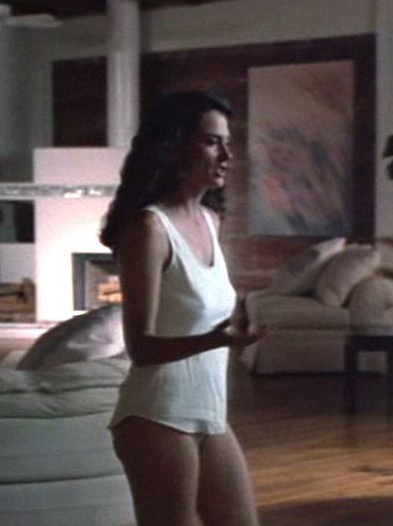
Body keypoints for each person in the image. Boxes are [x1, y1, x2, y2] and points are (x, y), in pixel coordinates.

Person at [101, 91, 266, 526]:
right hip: (157, 415)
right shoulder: (148, 228)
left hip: (210, 414)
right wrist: (218, 339)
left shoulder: (211, 221)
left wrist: (232, 330)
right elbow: (141, 347)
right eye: (211, 142)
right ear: (173, 147)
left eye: (227, 143)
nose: (227, 156)